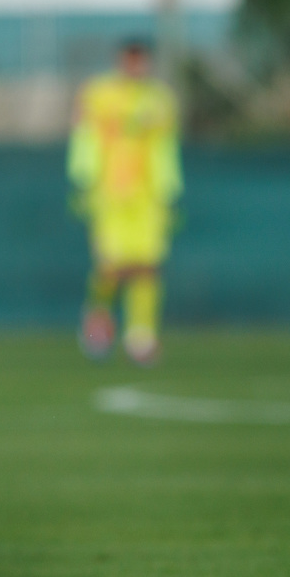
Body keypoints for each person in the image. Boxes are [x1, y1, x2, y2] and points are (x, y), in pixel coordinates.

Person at [69, 39, 181, 365]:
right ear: (120, 60)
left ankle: (141, 336)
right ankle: (98, 320)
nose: (136, 66)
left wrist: (170, 189)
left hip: (149, 197)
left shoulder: (161, 100)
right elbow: (84, 136)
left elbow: (166, 148)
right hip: (109, 192)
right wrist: (82, 178)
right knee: (111, 265)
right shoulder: (98, 94)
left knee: (147, 266)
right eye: (130, 60)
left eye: (141, 60)